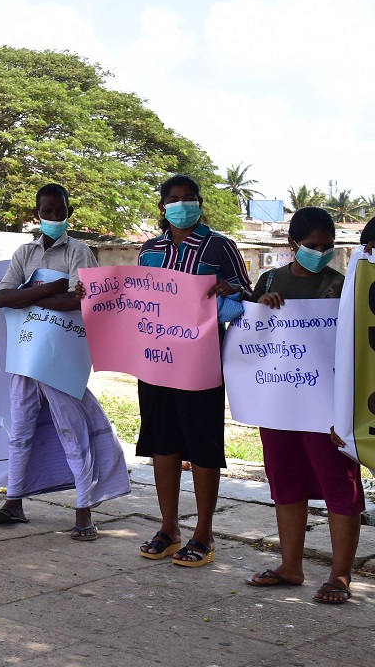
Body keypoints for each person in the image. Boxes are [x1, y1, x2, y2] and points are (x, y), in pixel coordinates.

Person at [0, 184, 129, 540]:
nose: (53, 217)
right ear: (37, 215)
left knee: (72, 428)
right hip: (26, 354)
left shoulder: (79, 252)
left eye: (59, 211)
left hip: (61, 357)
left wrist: (31, 297)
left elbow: (80, 302)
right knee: (20, 431)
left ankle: (84, 511)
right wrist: (51, 291)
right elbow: (3, 297)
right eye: (47, 212)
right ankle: (15, 501)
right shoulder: (24, 252)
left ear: (69, 211)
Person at [129, 174, 250, 566]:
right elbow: (134, 298)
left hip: (201, 358)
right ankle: (168, 528)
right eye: (174, 199)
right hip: (156, 357)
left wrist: (229, 291)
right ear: (163, 206)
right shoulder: (150, 249)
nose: (182, 205)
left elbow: (245, 294)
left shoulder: (221, 246)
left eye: (189, 198)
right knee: (162, 442)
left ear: (199, 203)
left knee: (202, 443)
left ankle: (204, 533)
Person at [244, 207, 361, 603]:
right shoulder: (269, 279)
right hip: (278, 401)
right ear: (292, 244)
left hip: (327, 409)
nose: (321, 252)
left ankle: (340, 575)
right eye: (312, 246)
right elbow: (248, 332)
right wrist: (260, 303)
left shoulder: (342, 287)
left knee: (339, 488)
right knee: (286, 484)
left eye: (328, 246)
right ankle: (289, 565)